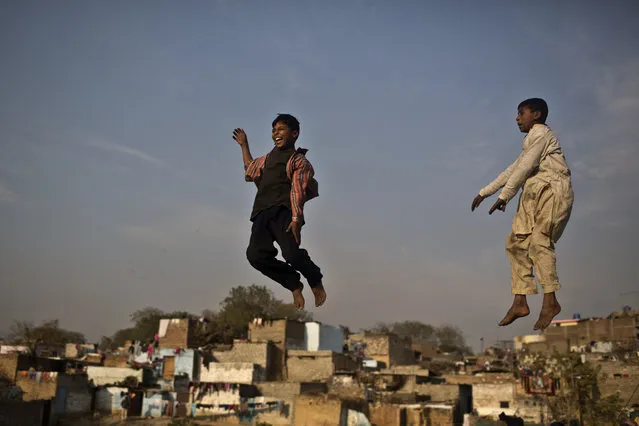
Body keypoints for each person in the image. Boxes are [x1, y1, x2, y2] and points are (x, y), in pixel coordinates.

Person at [472, 98, 573, 331]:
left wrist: (504, 197)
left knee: (539, 242)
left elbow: (526, 167)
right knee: (516, 244)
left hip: (552, 190)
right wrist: (485, 192)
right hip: (532, 192)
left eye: (521, 113)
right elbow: (515, 169)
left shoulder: (542, 134)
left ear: (536, 115)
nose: (517, 118)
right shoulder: (531, 141)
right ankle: (520, 301)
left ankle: (550, 302)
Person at [233, 114, 326, 310]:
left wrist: (296, 219)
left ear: (294, 133)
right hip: (261, 214)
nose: (276, 133)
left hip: (284, 213)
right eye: (274, 130)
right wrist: (243, 145)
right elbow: (250, 169)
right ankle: (293, 284)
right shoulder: (266, 159)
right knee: (255, 256)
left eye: (281, 129)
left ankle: (314, 279)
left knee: (292, 255)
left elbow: (298, 191)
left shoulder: (298, 161)